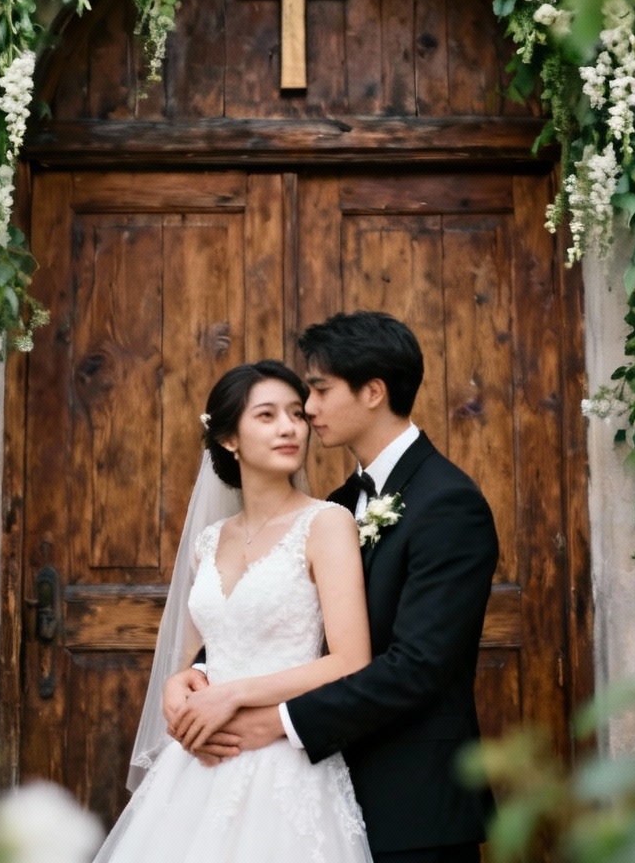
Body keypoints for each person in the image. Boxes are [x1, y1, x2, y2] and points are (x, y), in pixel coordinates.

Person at [167, 311, 500, 863]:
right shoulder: (338, 505)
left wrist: (275, 723)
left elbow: (417, 665)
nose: (309, 412)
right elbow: (283, 615)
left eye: (317, 392)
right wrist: (198, 673)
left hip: (413, 802)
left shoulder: (449, 504)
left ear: (372, 392)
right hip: (321, 789)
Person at [91, 359, 374, 863]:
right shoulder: (207, 541)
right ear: (229, 439)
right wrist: (178, 686)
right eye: (266, 416)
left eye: (296, 414)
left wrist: (232, 696)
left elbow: (350, 661)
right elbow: (198, 655)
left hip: (285, 763)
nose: (289, 427)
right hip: (200, 762)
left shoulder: (327, 524)